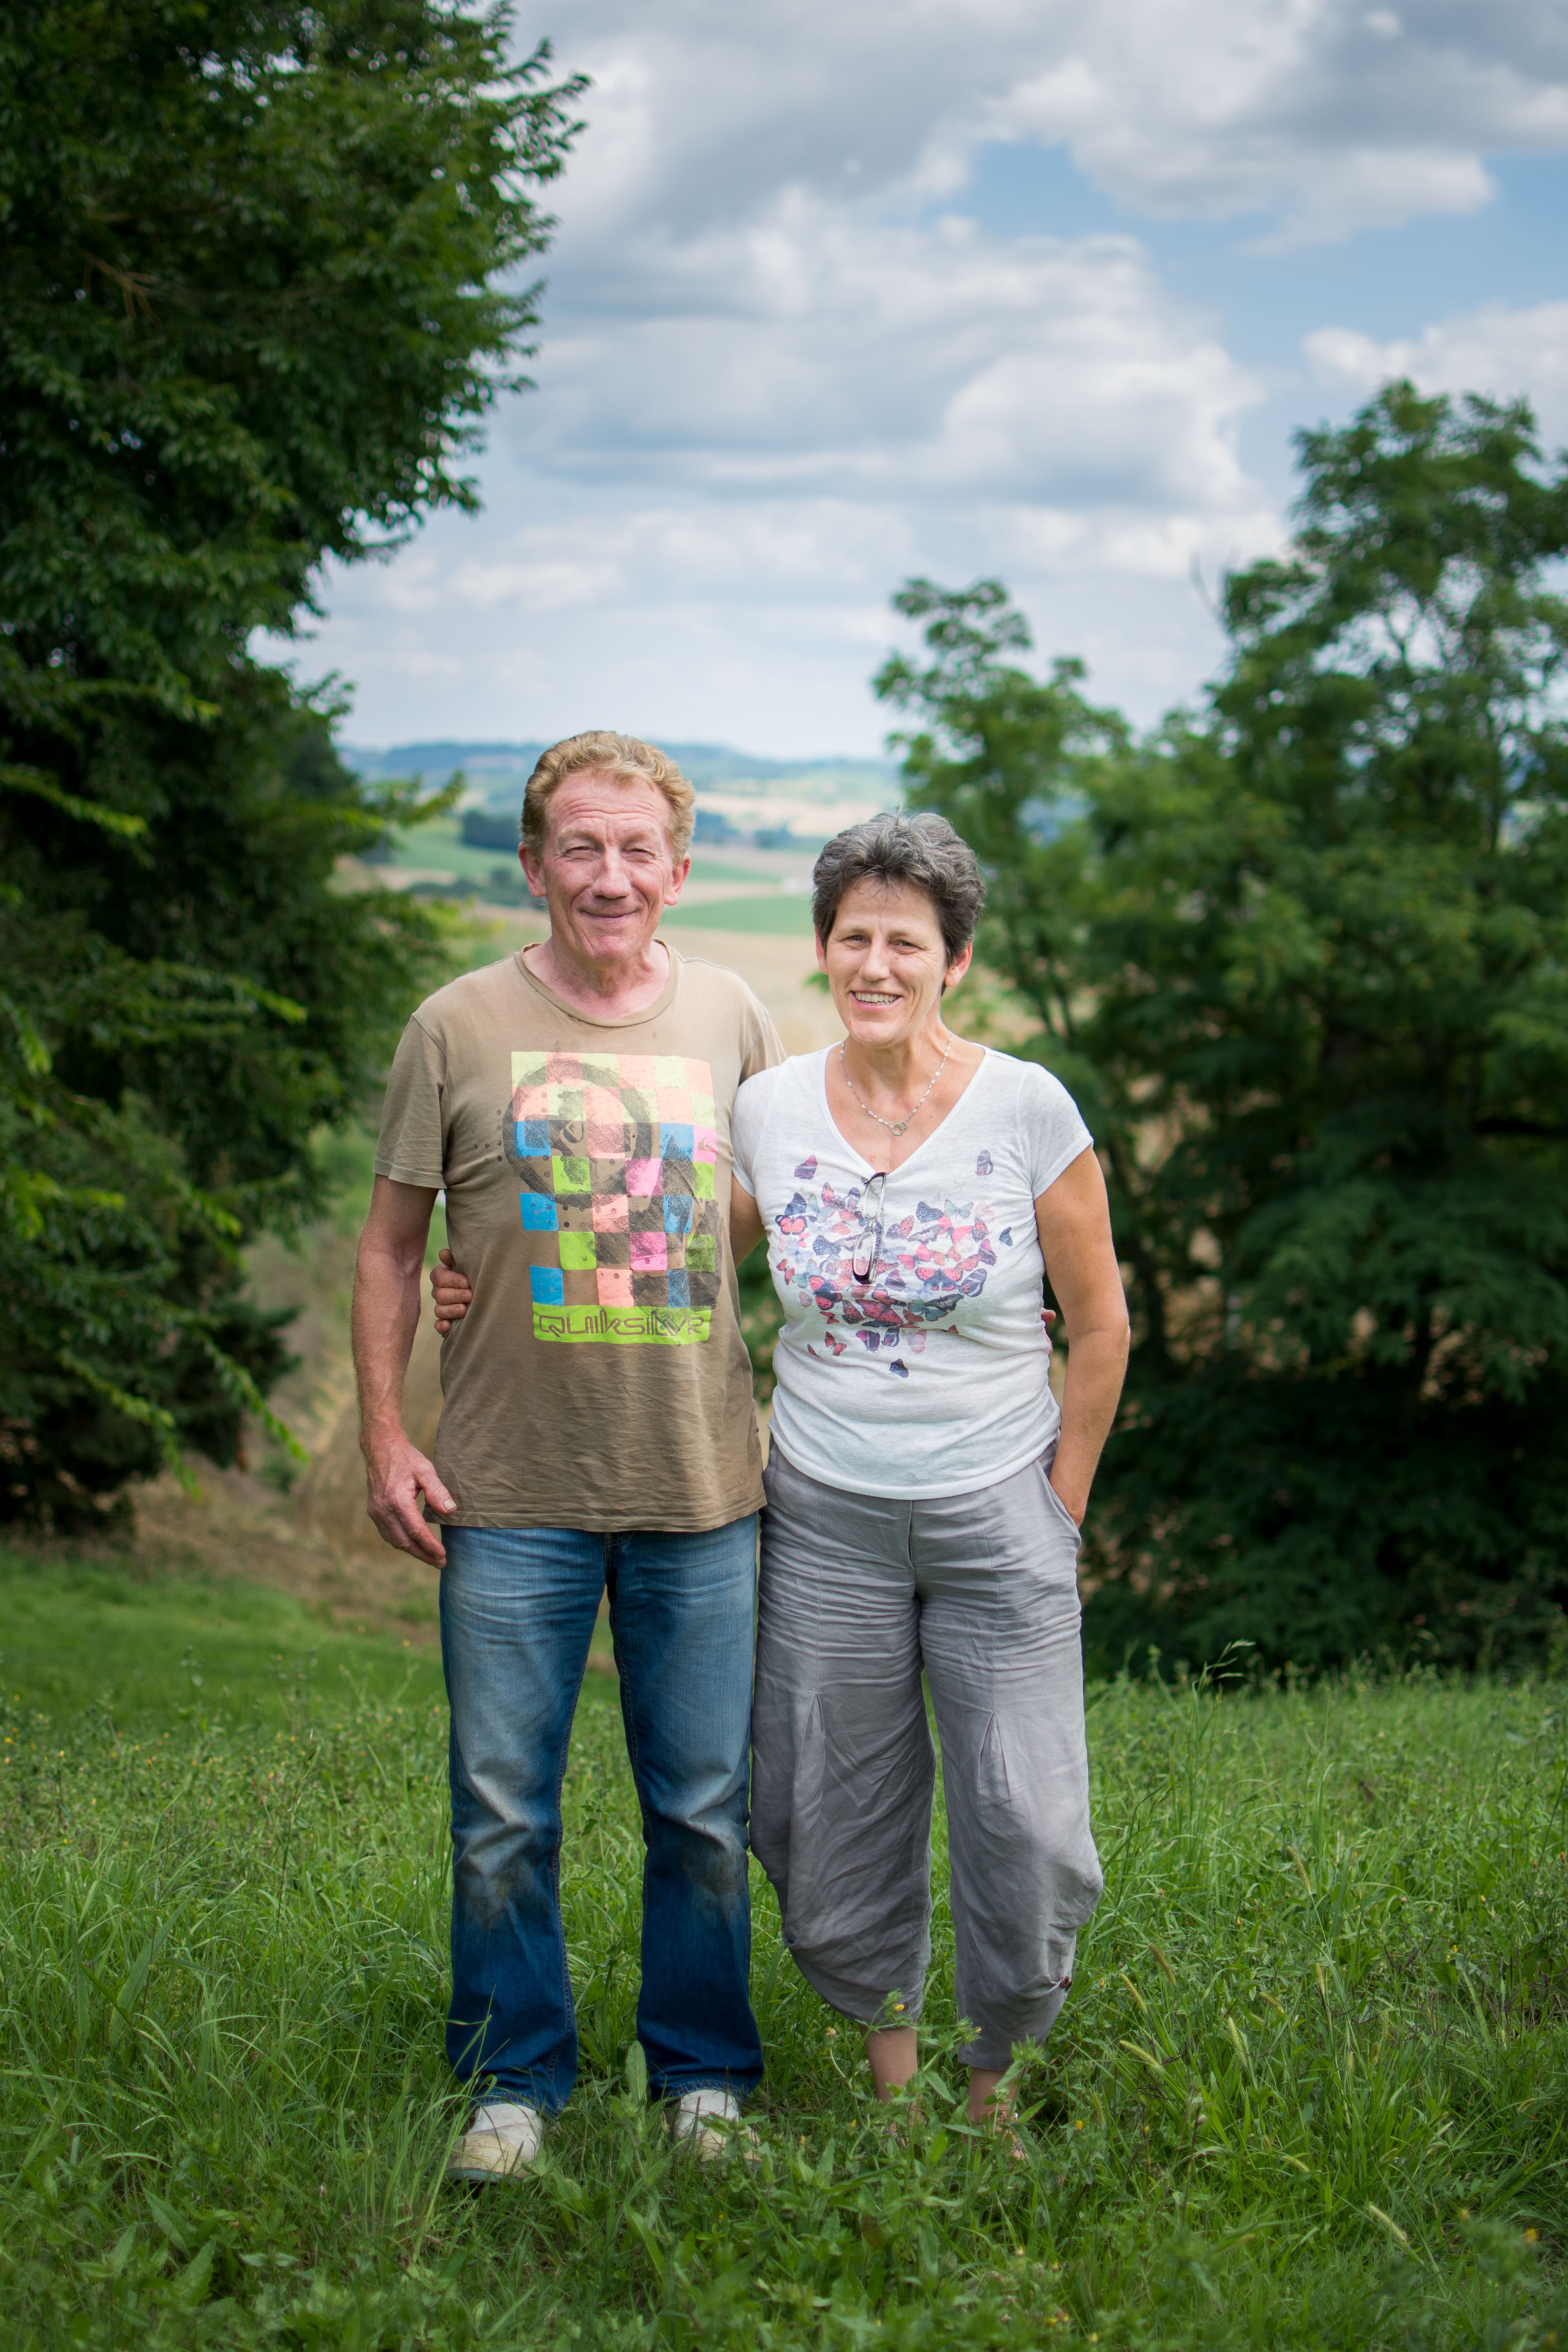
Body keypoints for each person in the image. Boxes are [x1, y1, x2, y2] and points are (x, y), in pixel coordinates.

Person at [434, 809, 1131, 2136]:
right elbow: (657, 1241)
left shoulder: (1028, 1106)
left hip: (1000, 1516)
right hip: (821, 1516)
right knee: (830, 1819)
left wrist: (1059, 1506)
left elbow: (1100, 1327)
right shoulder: (768, 1110)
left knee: (1027, 1823)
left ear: (954, 960)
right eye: (854, 937)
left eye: (906, 942)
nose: (878, 964)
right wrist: (477, 1267)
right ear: (823, 952)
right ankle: (897, 2089)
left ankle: (995, 2085)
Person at [355, 731, 783, 2181]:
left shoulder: (732, 1012)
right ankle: (513, 2087)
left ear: (678, 865)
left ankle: (705, 2081)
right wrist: (386, 1432)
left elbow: (784, 1215)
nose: (612, 877)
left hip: (705, 1486)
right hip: (508, 1491)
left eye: (639, 850)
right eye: (581, 850)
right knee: (499, 1813)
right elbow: (388, 1246)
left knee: (706, 1810)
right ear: (535, 865)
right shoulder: (455, 1026)